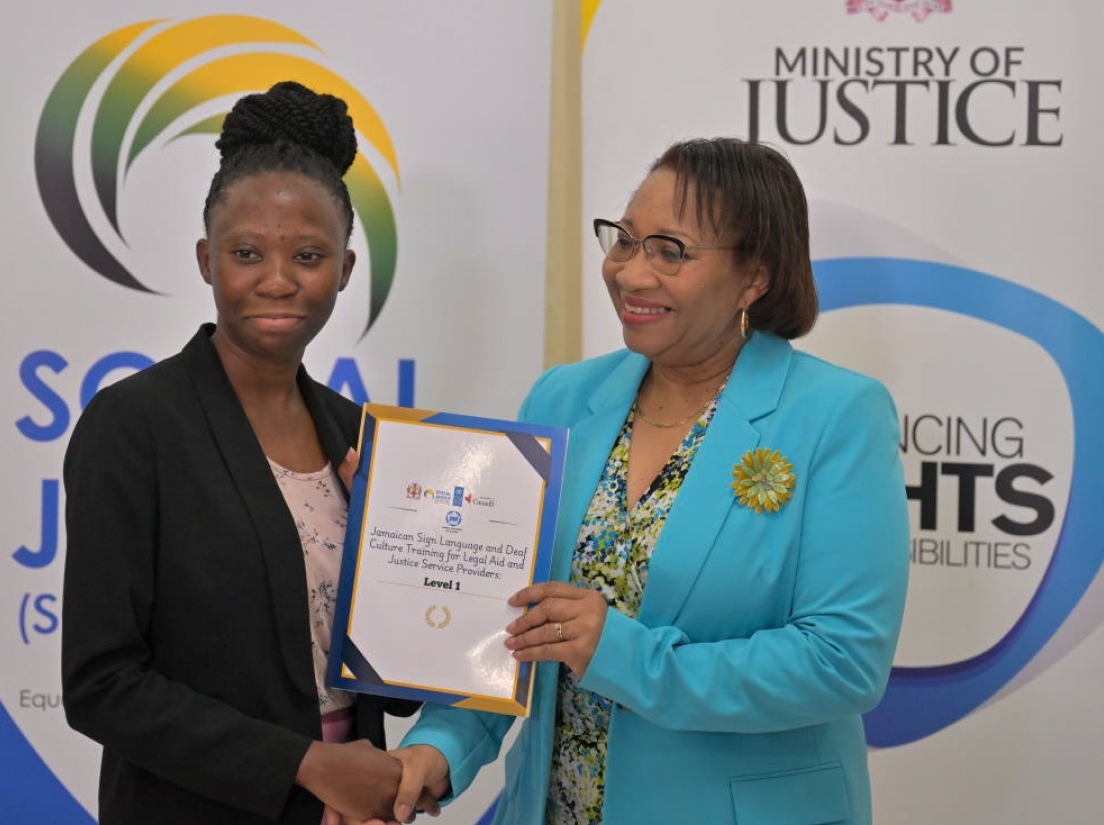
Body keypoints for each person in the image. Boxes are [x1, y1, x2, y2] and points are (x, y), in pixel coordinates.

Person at [370, 138, 910, 825]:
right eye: (624, 240)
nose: (629, 272)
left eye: (669, 251)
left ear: (754, 278)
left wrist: (623, 653)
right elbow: (507, 622)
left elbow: (842, 660)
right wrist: (435, 749)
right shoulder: (563, 399)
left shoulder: (836, 415)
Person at [62, 81, 423, 824]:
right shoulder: (134, 425)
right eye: (247, 252)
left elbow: (392, 684)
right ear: (206, 259)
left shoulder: (360, 435)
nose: (279, 280)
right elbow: (101, 682)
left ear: (347, 269)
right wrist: (309, 766)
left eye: (310, 254)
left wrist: (407, 567)